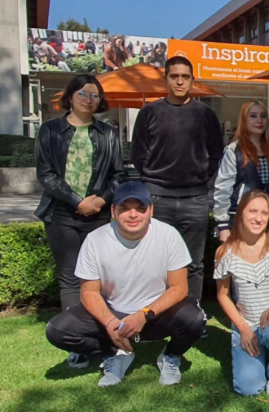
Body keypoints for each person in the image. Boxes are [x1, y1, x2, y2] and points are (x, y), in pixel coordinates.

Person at [45, 181, 206, 387]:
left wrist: (143, 315)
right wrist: (110, 323)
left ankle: (170, 356)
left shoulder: (169, 235)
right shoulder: (96, 239)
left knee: (195, 319)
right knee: (58, 330)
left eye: (141, 208)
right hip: (114, 312)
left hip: (154, 314)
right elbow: (89, 293)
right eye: (124, 209)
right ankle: (113, 354)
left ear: (151, 210)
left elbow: (179, 288)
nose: (133, 215)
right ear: (113, 211)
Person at [35, 74, 123, 368]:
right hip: (60, 213)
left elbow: (118, 174)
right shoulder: (49, 131)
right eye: (83, 94)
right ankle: (77, 342)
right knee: (71, 278)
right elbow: (46, 174)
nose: (89, 99)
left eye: (95, 95)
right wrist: (76, 201)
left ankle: (106, 333)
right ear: (70, 97)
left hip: (98, 215)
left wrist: (100, 200)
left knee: (100, 278)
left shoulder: (108, 133)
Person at [130, 55, 224, 305]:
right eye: (174, 76)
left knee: (193, 263)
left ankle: (191, 315)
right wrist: (153, 180)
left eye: (185, 77)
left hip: (195, 198)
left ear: (192, 80)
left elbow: (217, 153)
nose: (180, 82)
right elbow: (138, 153)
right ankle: (157, 315)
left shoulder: (205, 114)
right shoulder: (149, 112)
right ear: (166, 80)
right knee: (156, 261)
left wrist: (203, 177)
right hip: (157, 198)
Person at [214, 190, 269, 396]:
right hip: (247, 320)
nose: (258, 218)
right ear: (241, 212)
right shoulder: (224, 252)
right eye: (253, 211)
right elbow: (222, 295)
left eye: (264, 213)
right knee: (248, 388)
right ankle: (256, 350)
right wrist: (243, 328)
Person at [214, 101, 269, 242]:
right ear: (244, 120)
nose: (259, 121)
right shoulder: (234, 149)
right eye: (253, 116)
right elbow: (222, 188)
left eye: (263, 116)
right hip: (239, 216)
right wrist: (223, 225)